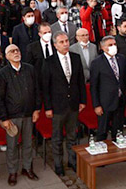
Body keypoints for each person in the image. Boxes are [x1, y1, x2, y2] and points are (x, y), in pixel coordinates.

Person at [42, 32, 86, 176]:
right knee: (57, 138)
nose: (65, 44)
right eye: (61, 42)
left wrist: (82, 101)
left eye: (67, 41)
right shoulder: (49, 62)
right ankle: (58, 164)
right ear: (55, 45)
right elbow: (46, 87)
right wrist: (48, 107)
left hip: (73, 104)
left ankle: (72, 161)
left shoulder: (76, 58)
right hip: (57, 107)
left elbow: (80, 81)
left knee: (72, 136)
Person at [0, 44, 40, 186]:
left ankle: (27, 168)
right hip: (12, 117)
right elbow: (0, 98)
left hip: (28, 114)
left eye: (17, 50)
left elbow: (37, 90)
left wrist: (37, 109)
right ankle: (12, 172)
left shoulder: (30, 69)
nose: (16, 53)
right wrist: (4, 118)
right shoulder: (3, 73)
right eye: (12, 51)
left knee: (28, 144)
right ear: (7, 56)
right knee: (12, 146)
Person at [90, 36, 126, 141]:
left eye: (114, 44)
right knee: (102, 131)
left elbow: (125, 79)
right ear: (103, 48)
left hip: (120, 100)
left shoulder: (121, 59)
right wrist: (96, 105)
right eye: (110, 45)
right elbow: (94, 86)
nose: (113, 47)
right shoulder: (97, 63)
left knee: (118, 130)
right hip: (105, 103)